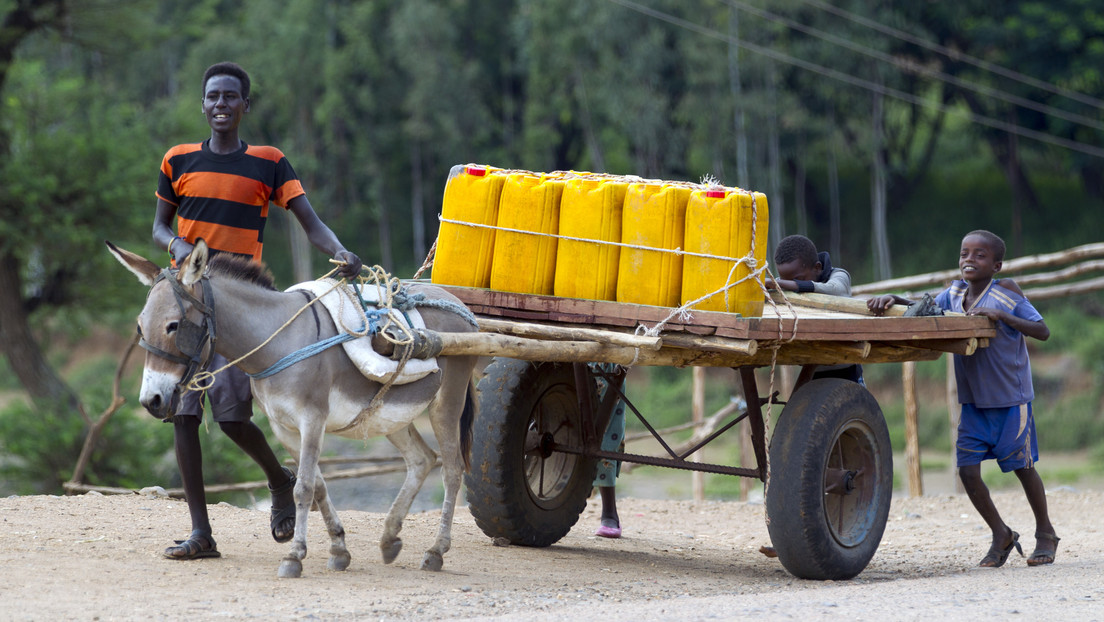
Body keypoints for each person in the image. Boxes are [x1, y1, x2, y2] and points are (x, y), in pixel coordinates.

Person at [151, 61, 362, 560]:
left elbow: (309, 221)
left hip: (242, 313)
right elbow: (159, 228)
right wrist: (178, 246)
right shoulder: (177, 160)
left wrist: (341, 252)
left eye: (230, 97)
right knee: (183, 415)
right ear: (202, 105)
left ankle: (279, 480)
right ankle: (201, 534)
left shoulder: (269, 162)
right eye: (212, 97)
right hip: (188, 302)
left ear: (246, 105)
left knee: (230, 417)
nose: (220, 104)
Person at [867, 229, 1058, 568]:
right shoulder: (954, 294)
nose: (969, 259)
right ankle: (1001, 533)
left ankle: (1045, 533)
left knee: (1022, 467)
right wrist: (894, 299)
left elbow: (1042, 330)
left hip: (1011, 401)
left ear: (996, 265)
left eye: (979, 255)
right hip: (973, 404)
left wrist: (1003, 318)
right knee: (968, 473)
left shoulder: (1006, 292)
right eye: (964, 253)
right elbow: (922, 308)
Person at [767, 234, 863, 383]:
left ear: (817, 268)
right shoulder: (782, 283)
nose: (791, 285)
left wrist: (786, 284)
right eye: (785, 280)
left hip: (846, 370)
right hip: (812, 370)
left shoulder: (839, 275)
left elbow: (836, 290)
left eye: (797, 279)